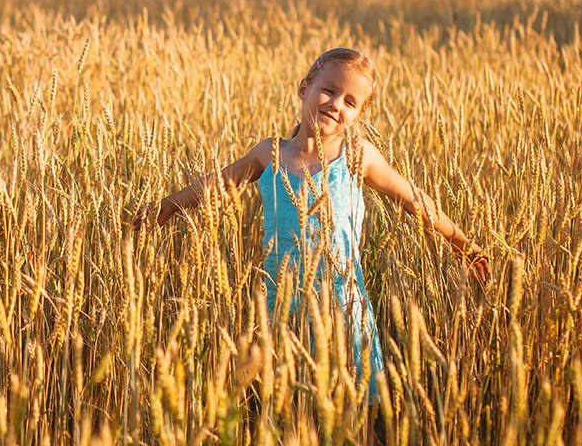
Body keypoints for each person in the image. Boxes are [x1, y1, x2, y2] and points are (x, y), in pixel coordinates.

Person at [132, 47, 490, 402]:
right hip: (283, 303)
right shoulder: (269, 153)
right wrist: (166, 207)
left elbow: (415, 201)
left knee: (355, 411)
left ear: (359, 115)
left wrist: (463, 245)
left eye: (351, 102)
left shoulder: (358, 155)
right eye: (330, 90)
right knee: (292, 410)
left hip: (343, 304)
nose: (336, 104)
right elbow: (217, 184)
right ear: (305, 88)